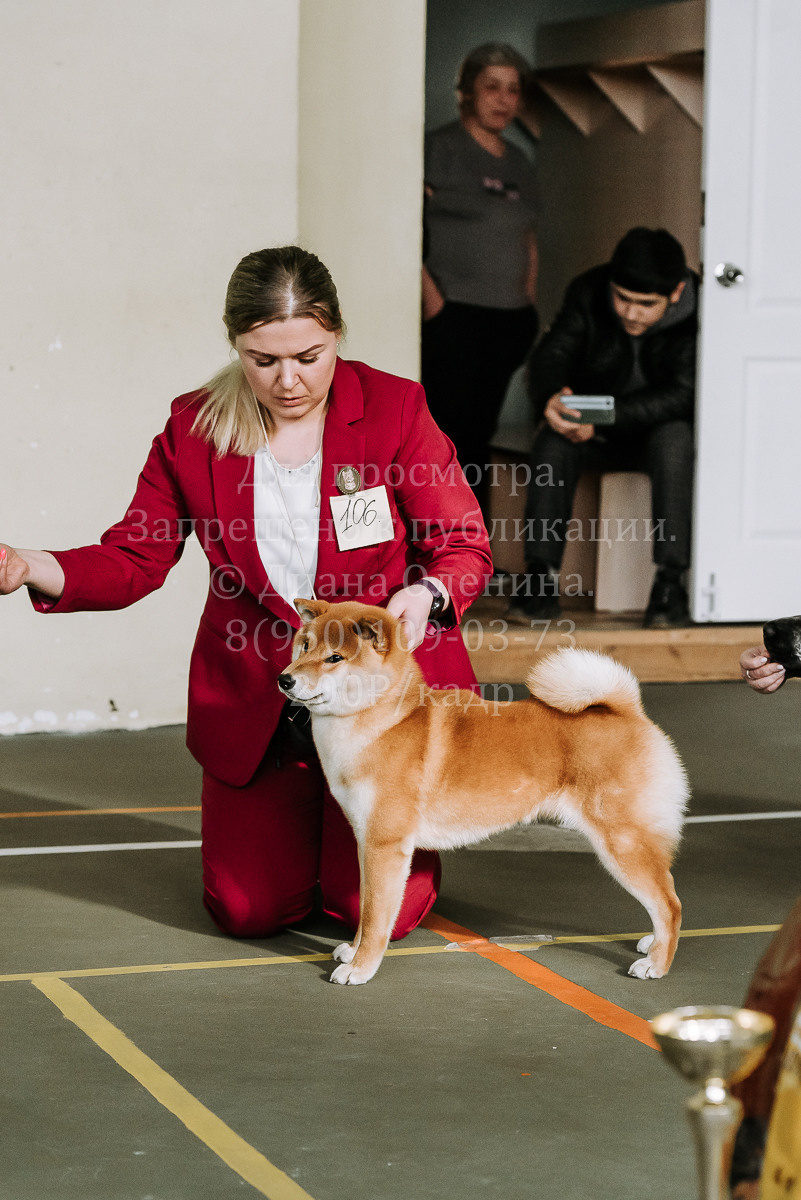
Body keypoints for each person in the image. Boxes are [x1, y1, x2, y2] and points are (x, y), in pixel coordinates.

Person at [0, 246, 492, 942]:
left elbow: (463, 544)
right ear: (235, 345)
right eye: (264, 361)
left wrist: (427, 594)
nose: (289, 381)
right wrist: (27, 563)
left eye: (309, 357)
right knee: (246, 911)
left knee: (365, 911)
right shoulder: (193, 427)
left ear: (337, 335)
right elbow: (134, 556)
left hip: (378, 702)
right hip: (262, 695)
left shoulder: (395, 409)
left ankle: (377, 837)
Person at [510, 227, 698, 628]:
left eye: (646, 304)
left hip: (655, 434)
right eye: (623, 298)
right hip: (590, 431)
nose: (630, 313)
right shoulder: (588, 291)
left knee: (676, 439)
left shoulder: (704, 308)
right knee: (552, 441)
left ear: (677, 292)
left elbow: (684, 394)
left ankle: (670, 585)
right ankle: (539, 580)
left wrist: (601, 419)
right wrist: (551, 398)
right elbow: (551, 354)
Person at [421, 42, 539, 518]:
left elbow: (526, 234)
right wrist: (434, 304)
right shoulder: (439, 148)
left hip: (509, 319)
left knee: (480, 435)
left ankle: (472, 545)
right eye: (492, 87)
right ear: (466, 92)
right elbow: (405, 224)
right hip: (455, 316)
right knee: (449, 437)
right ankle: (445, 544)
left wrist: (528, 298)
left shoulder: (519, 161)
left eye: (513, 89)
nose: (504, 99)